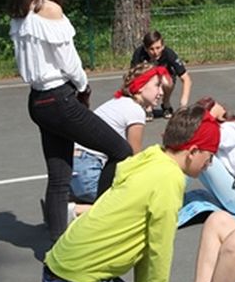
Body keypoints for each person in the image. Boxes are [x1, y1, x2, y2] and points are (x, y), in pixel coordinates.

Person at [16, 105, 220, 282]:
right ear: (193, 151)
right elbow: (158, 251)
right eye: (209, 158)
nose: (209, 165)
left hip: (65, 270)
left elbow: (144, 245)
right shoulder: (169, 180)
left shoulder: (152, 158)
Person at [7, 0, 133, 241]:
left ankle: (56, 247)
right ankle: (98, 224)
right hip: (59, 98)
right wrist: (83, 86)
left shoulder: (19, 12)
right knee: (121, 151)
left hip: (38, 101)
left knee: (59, 177)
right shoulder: (49, 9)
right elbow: (70, 62)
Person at [68, 62, 167, 209]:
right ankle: (76, 211)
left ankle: (69, 200)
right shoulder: (135, 111)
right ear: (140, 86)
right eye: (157, 86)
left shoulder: (117, 102)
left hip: (73, 168)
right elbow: (135, 157)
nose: (161, 92)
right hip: (88, 171)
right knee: (124, 202)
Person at [130, 30, 192, 119]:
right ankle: (148, 106)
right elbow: (132, 77)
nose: (155, 52)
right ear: (145, 48)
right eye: (151, 49)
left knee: (165, 81)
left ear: (163, 46)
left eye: (158, 48)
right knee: (142, 77)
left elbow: (186, 79)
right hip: (147, 80)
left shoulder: (169, 54)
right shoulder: (139, 54)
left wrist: (183, 104)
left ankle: (166, 103)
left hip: (165, 79)